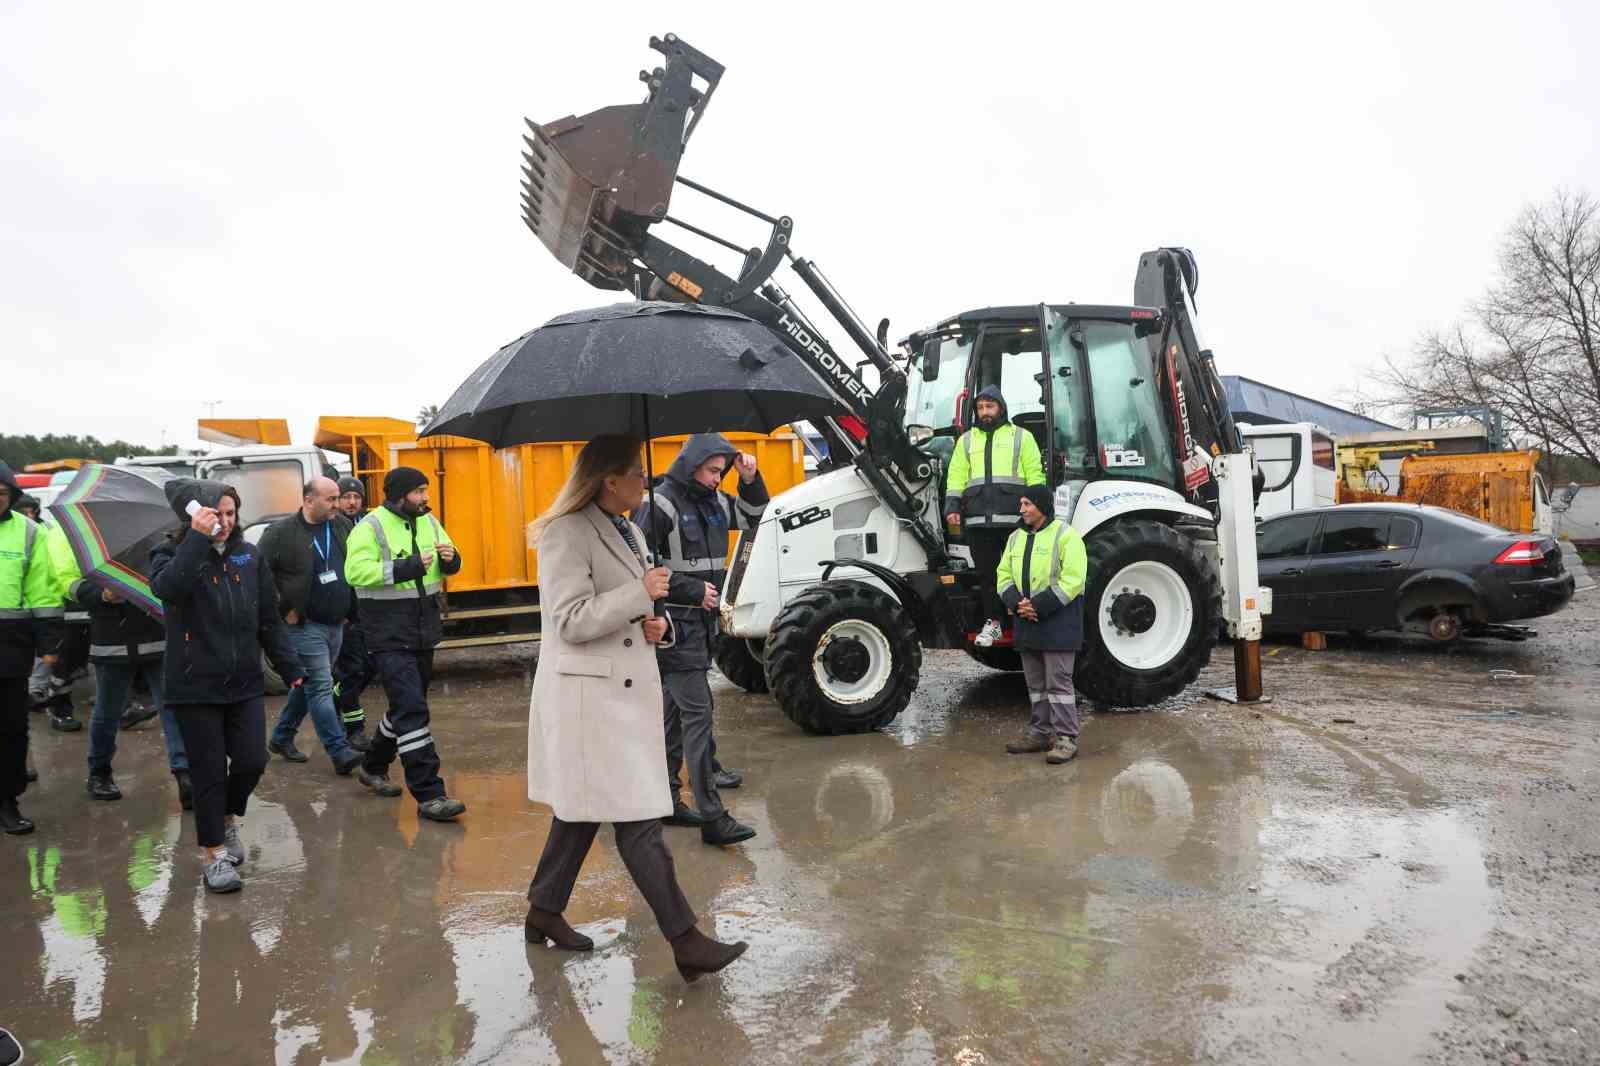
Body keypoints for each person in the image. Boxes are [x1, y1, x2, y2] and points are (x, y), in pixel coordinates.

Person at [524, 434, 748, 982]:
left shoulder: (627, 528)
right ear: (609, 481)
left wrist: (658, 623)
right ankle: (686, 940)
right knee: (640, 822)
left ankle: (543, 911)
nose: (645, 482)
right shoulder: (565, 534)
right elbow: (571, 620)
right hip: (588, 701)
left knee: (580, 813)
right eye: (636, 474)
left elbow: (634, 609)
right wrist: (639, 593)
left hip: (617, 695)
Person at [150, 479, 306, 893]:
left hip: (243, 683)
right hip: (193, 685)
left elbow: (268, 618)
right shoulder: (169, 553)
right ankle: (215, 855)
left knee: (253, 761)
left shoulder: (249, 556)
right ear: (193, 514)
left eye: (230, 513)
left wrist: (291, 666)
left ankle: (226, 817)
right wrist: (196, 542)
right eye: (213, 513)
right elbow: (169, 589)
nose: (223, 521)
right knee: (207, 773)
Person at [633, 434, 764, 845]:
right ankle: (711, 814)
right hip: (674, 627)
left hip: (701, 628)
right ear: (692, 465)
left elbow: (755, 517)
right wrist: (688, 590)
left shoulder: (715, 501)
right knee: (698, 716)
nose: (716, 479)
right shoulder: (661, 505)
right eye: (712, 471)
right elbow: (637, 563)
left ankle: (669, 799)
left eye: (721, 472)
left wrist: (750, 479)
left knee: (674, 715)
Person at [343, 466, 467, 822]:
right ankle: (431, 795)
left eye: (426, 490)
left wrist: (451, 560)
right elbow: (355, 572)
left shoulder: (428, 521)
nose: (425, 498)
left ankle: (373, 765)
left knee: (405, 707)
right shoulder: (370, 526)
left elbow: (449, 561)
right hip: (387, 633)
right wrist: (406, 566)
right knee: (412, 710)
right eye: (419, 492)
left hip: (423, 630)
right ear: (398, 495)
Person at [260, 477, 363, 775]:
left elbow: (351, 565)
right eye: (330, 499)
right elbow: (260, 576)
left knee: (307, 684)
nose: (337, 505)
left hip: (337, 624)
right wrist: (284, 610)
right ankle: (339, 750)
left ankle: (281, 737)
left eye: (337, 498)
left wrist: (350, 610)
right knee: (321, 686)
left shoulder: (342, 526)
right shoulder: (280, 533)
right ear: (308, 500)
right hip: (304, 626)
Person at [76, 570, 192, 807]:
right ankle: (99, 772)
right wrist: (101, 594)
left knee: (173, 708)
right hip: (112, 642)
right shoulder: (92, 540)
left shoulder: (156, 543)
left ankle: (185, 775)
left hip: (156, 637)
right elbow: (66, 583)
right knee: (107, 713)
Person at [945, 385, 1045, 648]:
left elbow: (1035, 475)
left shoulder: (1022, 437)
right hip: (978, 521)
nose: (985, 412)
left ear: (1001, 408)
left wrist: (1036, 509)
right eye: (980, 408)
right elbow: (956, 476)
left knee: (1022, 575)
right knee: (988, 576)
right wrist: (952, 506)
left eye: (990, 407)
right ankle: (995, 624)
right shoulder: (966, 440)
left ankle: (1026, 625)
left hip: (1014, 520)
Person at [995, 485, 1087, 764]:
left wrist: (1038, 606)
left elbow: (1073, 580)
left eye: (1027, 504)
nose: (1021, 509)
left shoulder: (1066, 536)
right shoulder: (1015, 538)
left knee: (1058, 683)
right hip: (1028, 621)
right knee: (1036, 684)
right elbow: (1002, 575)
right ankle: (1039, 733)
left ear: (1042, 506)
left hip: (1057, 620)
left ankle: (1066, 738)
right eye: (1021, 504)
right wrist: (1016, 602)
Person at [0, 462, 63, 835]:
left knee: (11, 728)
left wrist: (48, 642)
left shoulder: (27, 532)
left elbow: (42, 589)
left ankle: (8, 800)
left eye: (2, 493)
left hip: (10, 645)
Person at [331, 476, 374, 751]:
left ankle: (333, 700)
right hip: (346, 612)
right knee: (352, 671)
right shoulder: (333, 528)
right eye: (347, 496)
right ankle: (354, 730)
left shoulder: (370, 525)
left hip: (370, 610)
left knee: (370, 668)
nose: (352, 502)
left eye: (356, 497)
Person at [38, 519, 87, 733]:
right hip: (69, 603)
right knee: (67, 661)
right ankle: (58, 706)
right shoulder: (62, 534)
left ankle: (123, 705)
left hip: (90, 602)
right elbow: (63, 574)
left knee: (104, 659)